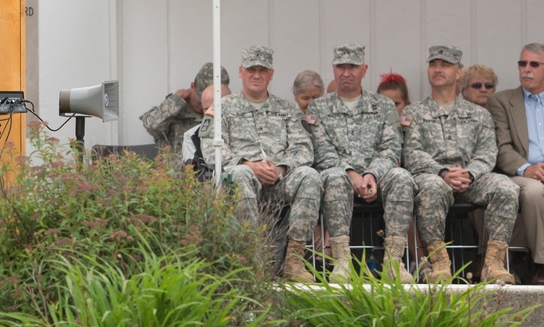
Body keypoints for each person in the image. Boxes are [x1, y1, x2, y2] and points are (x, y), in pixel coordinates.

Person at [199, 46, 321, 282]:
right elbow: (210, 148)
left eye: (262, 70)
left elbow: (303, 148)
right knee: (240, 173)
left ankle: (294, 261)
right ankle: (254, 258)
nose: (256, 75)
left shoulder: (287, 109)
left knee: (309, 175)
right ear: (240, 72)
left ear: (271, 74)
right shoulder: (222, 108)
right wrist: (247, 164)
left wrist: (281, 168)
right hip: (241, 181)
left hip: (279, 181)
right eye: (251, 69)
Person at [402, 46, 517, 284]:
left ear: (458, 73)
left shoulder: (478, 114)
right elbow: (411, 153)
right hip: (433, 176)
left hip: (471, 178)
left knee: (506, 188)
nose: (438, 69)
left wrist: (469, 174)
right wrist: (443, 173)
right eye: (433, 64)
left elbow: (487, 152)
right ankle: (440, 263)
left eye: (445, 65)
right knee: (432, 187)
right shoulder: (414, 112)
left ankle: (493, 264)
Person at [305, 44, 416, 281]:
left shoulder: (384, 106)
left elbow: (391, 147)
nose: (346, 72)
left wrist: (372, 175)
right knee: (334, 177)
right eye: (341, 66)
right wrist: (352, 175)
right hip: (338, 176)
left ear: (364, 70)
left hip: (376, 177)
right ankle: (341, 262)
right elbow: (321, 151)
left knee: (402, 178)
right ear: (333, 69)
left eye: (352, 67)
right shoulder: (318, 108)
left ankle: (394, 262)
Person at [487, 42, 544, 285]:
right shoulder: (501, 101)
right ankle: (541, 265)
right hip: (523, 172)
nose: (526, 69)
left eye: (533, 64)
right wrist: (527, 168)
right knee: (534, 192)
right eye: (522, 63)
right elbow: (501, 147)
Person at [142, 62, 230, 155]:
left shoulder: (225, 111)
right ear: (192, 86)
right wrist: (173, 101)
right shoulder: (174, 110)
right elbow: (151, 126)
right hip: (178, 168)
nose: (205, 103)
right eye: (201, 98)